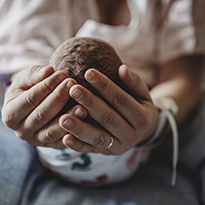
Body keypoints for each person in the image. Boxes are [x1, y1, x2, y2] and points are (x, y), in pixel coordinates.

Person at [0, 0, 205, 203]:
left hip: (154, 114)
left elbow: (183, 78)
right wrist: (26, 98)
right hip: (43, 137)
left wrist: (153, 122)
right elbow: (25, 67)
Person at [37, 37, 153, 185]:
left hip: (54, 167)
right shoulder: (126, 122)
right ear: (123, 88)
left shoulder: (45, 129)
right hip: (122, 171)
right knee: (141, 134)